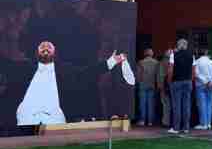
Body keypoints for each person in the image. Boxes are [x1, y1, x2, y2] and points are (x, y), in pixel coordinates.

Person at [0, 41, 133, 126]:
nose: (45, 48)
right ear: (37, 52)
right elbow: (6, 64)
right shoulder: (25, 68)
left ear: (54, 52)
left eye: (49, 47)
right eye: (42, 46)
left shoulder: (65, 70)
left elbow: (87, 73)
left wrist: (111, 62)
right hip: (26, 115)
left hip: (54, 117)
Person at [168, 39, 195, 134]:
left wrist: (169, 80)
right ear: (186, 46)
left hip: (176, 81)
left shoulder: (173, 55)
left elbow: (170, 70)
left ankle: (176, 128)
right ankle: (186, 127)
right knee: (186, 105)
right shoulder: (191, 55)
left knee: (176, 105)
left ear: (178, 45)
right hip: (188, 81)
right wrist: (190, 80)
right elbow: (193, 70)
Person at [194, 49, 212, 130]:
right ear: (206, 53)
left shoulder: (197, 62)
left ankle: (203, 123)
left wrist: (205, 81)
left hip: (201, 85)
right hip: (211, 85)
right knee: (209, 104)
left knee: (202, 104)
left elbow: (196, 73)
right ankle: (208, 123)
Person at [137, 48, 159, 127]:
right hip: (152, 84)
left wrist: (138, 82)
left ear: (144, 54)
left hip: (143, 84)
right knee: (151, 104)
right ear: (152, 54)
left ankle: (142, 120)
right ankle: (150, 121)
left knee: (142, 103)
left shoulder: (141, 62)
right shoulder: (156, 63)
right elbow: (158, 75)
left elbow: (138, 75)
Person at [157, 51, 172, 128]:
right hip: (172, 86)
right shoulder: (173, 62)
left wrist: (160, 86)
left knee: (166, 104)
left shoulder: (162, 63)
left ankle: (166, 121)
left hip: (164, 86)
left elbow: (160, 75)